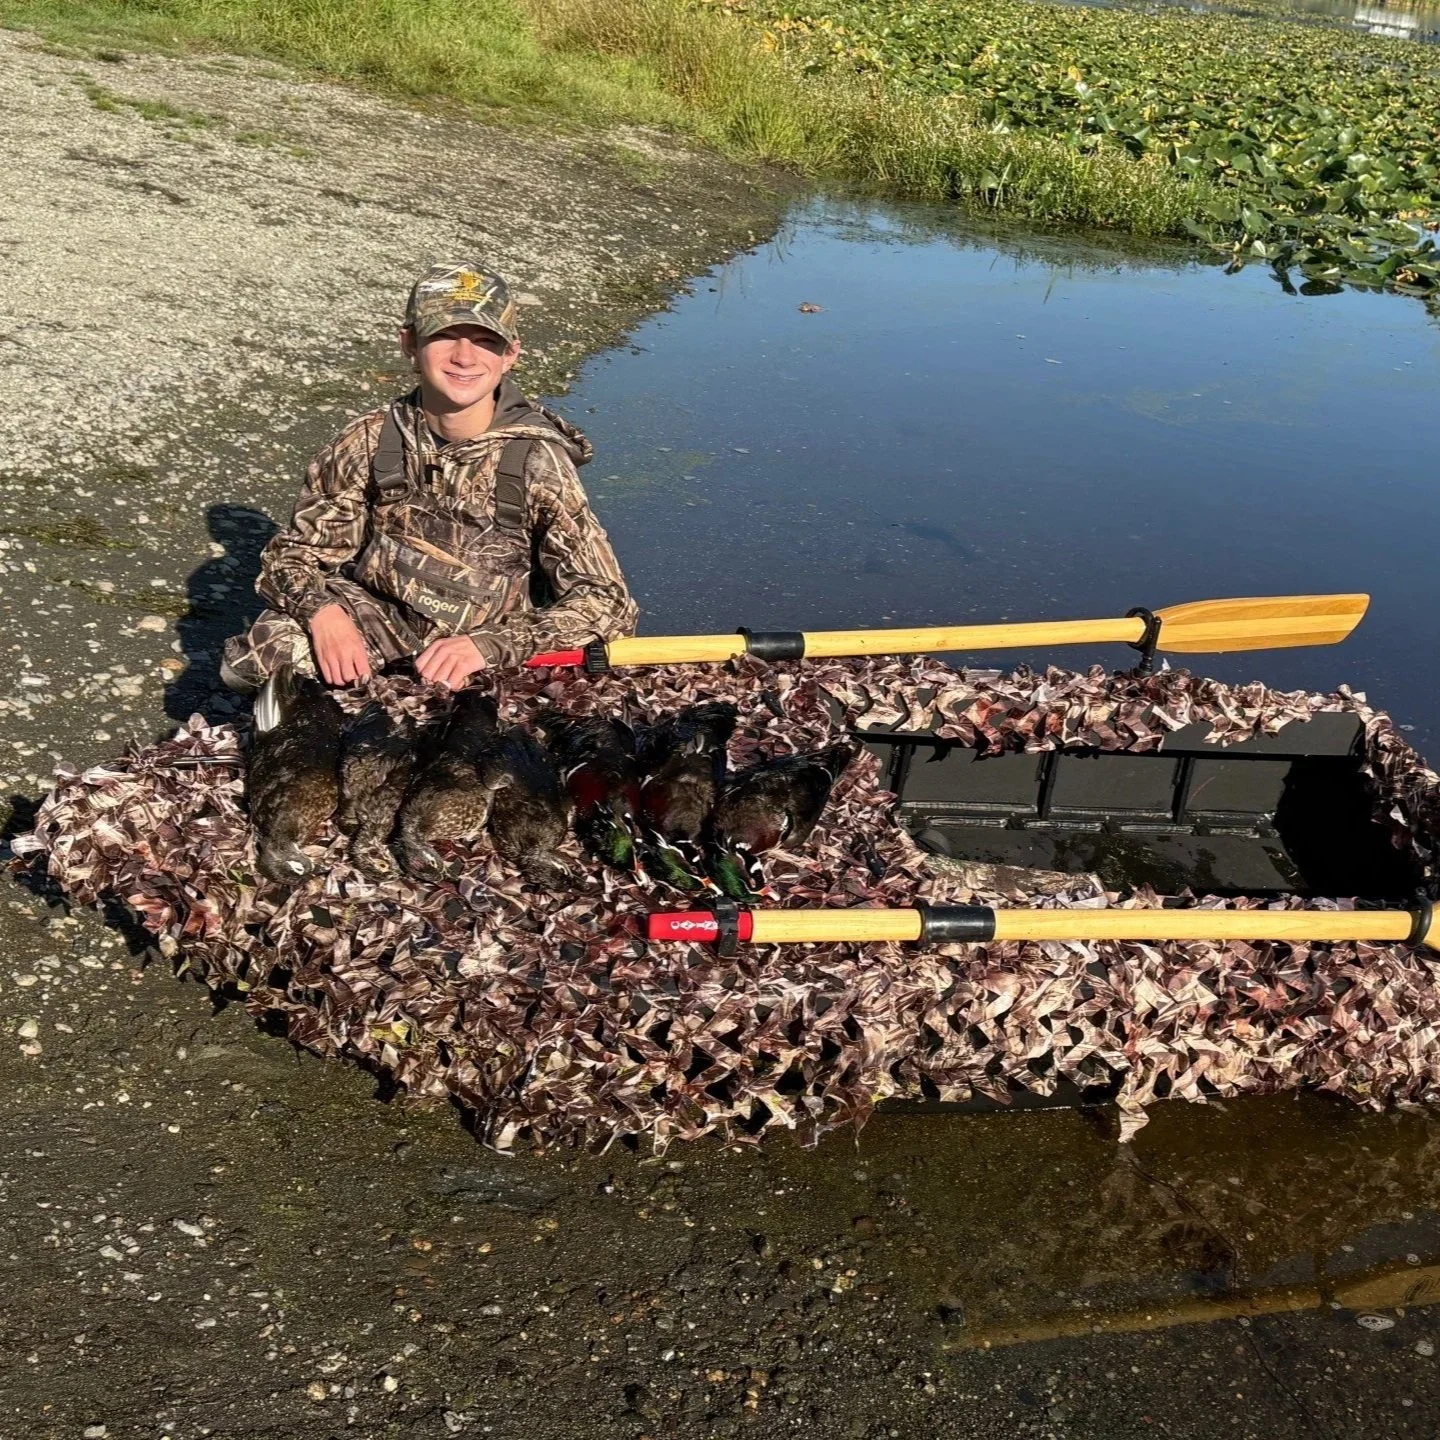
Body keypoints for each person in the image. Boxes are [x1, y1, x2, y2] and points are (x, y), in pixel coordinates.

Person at [221, 263, 637, 692]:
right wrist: (325, 615)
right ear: (410, 344)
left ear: (510, 355)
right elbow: (292, 556)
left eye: (485, 341)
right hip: (381, 622)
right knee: (260, 657)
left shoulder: (536, 460)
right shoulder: (371, 438)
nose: (464, 356)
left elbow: (607, 602)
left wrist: (491, 645)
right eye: (443, 336)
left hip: (488, 644)